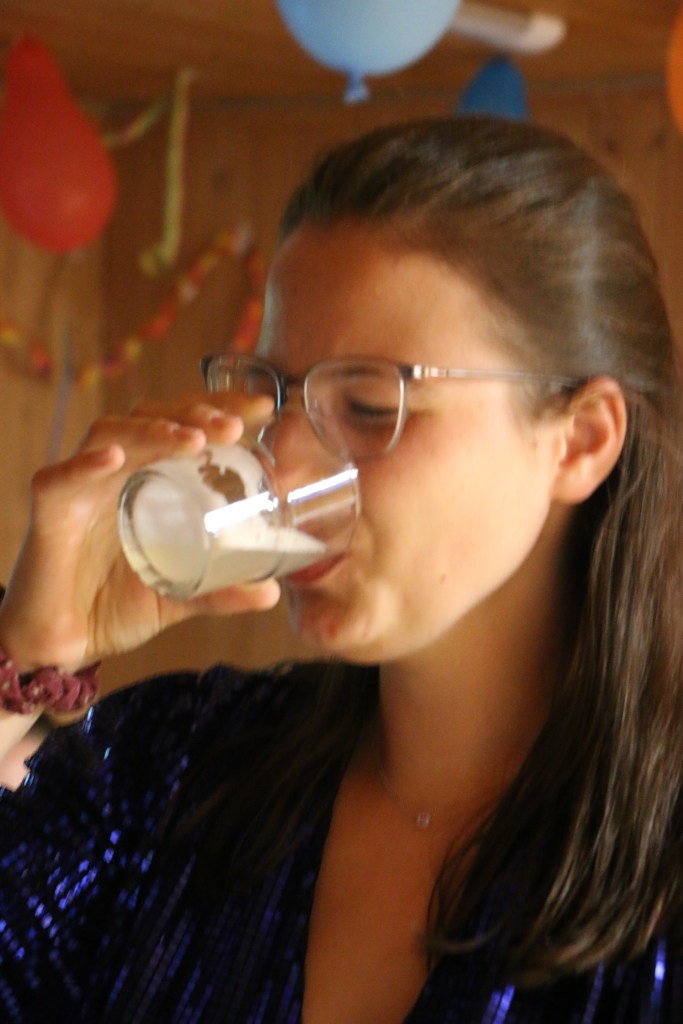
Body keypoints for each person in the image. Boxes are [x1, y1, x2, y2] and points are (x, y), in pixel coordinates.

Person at [0, 115, 682, 1023]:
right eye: (275, 396)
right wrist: (25, 658)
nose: (280, 464)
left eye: (366, 406)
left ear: (580, 442)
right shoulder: (180, 769)